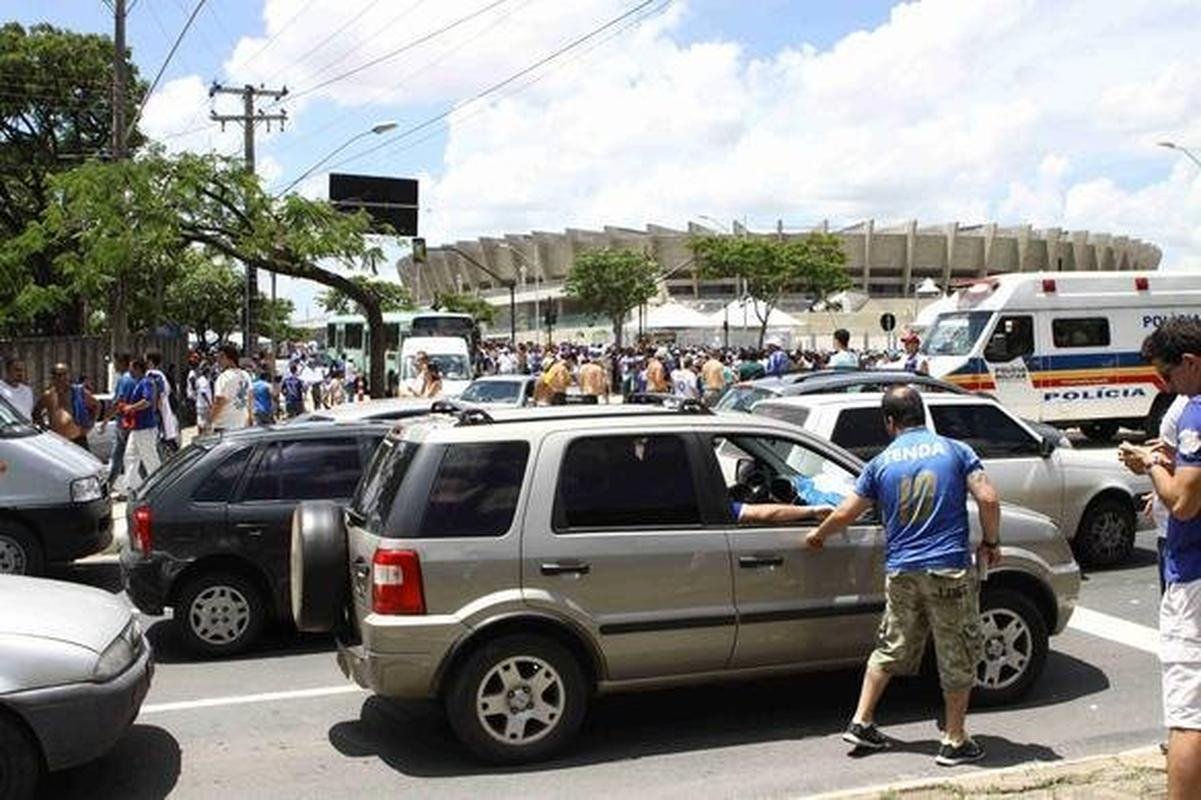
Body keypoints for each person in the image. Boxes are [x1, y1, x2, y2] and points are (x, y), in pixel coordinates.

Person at [806, 386, 1001, 766]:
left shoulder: (880, 463)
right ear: (923, 414)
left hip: (901, 571)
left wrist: (817, 536)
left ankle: (862, 720)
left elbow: (847, 512)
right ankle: (956, 739)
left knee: (891, 644)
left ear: (889, 422)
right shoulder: (955, 450)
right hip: (947, 569)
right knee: (957, 651)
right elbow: (989, 499)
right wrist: (991, 541)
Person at [1117, 318, 1201, 799]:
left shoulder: (1195, 411)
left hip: (1193, 575)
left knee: (1189, 718)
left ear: (1189, 364)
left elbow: (1185, 502)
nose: (1166, 387)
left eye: (1167, 377)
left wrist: (1149, 464)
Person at [32, 362, 98, 449]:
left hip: (78, 440)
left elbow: (97, 405)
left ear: (69, 375)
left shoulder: (79, 392)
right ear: (53, 377)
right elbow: (36, 413)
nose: (62, 378)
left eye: (65, 374)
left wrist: (91, 424)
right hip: (57, 442)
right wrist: (44, 429)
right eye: (58, 375)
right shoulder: (48, 395)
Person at [121, 357, 161, 495]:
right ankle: (130, 487)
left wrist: (131, 408)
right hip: (138, 428)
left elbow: (147, 401)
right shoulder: (139, 383)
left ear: (137, 369)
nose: (129, 371)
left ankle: (159, 486)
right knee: (130, 456)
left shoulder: (146, 382)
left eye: (131, 368)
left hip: (145, 428)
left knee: (150, 458)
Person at [102, 353, 136, 496]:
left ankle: (112, 487)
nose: (114, 366)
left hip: (123, 423)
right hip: (130, 424)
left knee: (121, 457)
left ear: (123, 362)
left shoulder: (124, 380)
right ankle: (112, 487)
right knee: (124, 457)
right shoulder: (134, 379)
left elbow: (118, 402)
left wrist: (105, 419)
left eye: (116, 362)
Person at [210, 344, 252, 433]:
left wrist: (210, 422)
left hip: (224, 427)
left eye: (221, 357)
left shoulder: (224, 377)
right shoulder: (245, 375)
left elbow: (219, 401)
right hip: (241, 426)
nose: (218, 360)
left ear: (230, 359)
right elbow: (250, 398)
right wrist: (250, 419)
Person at [145, 351, 180, 453]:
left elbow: (158, 394)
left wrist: (154, 410)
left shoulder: (153, 375)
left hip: (156, 411)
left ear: (150, 361)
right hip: (162, 409)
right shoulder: (160, 374)